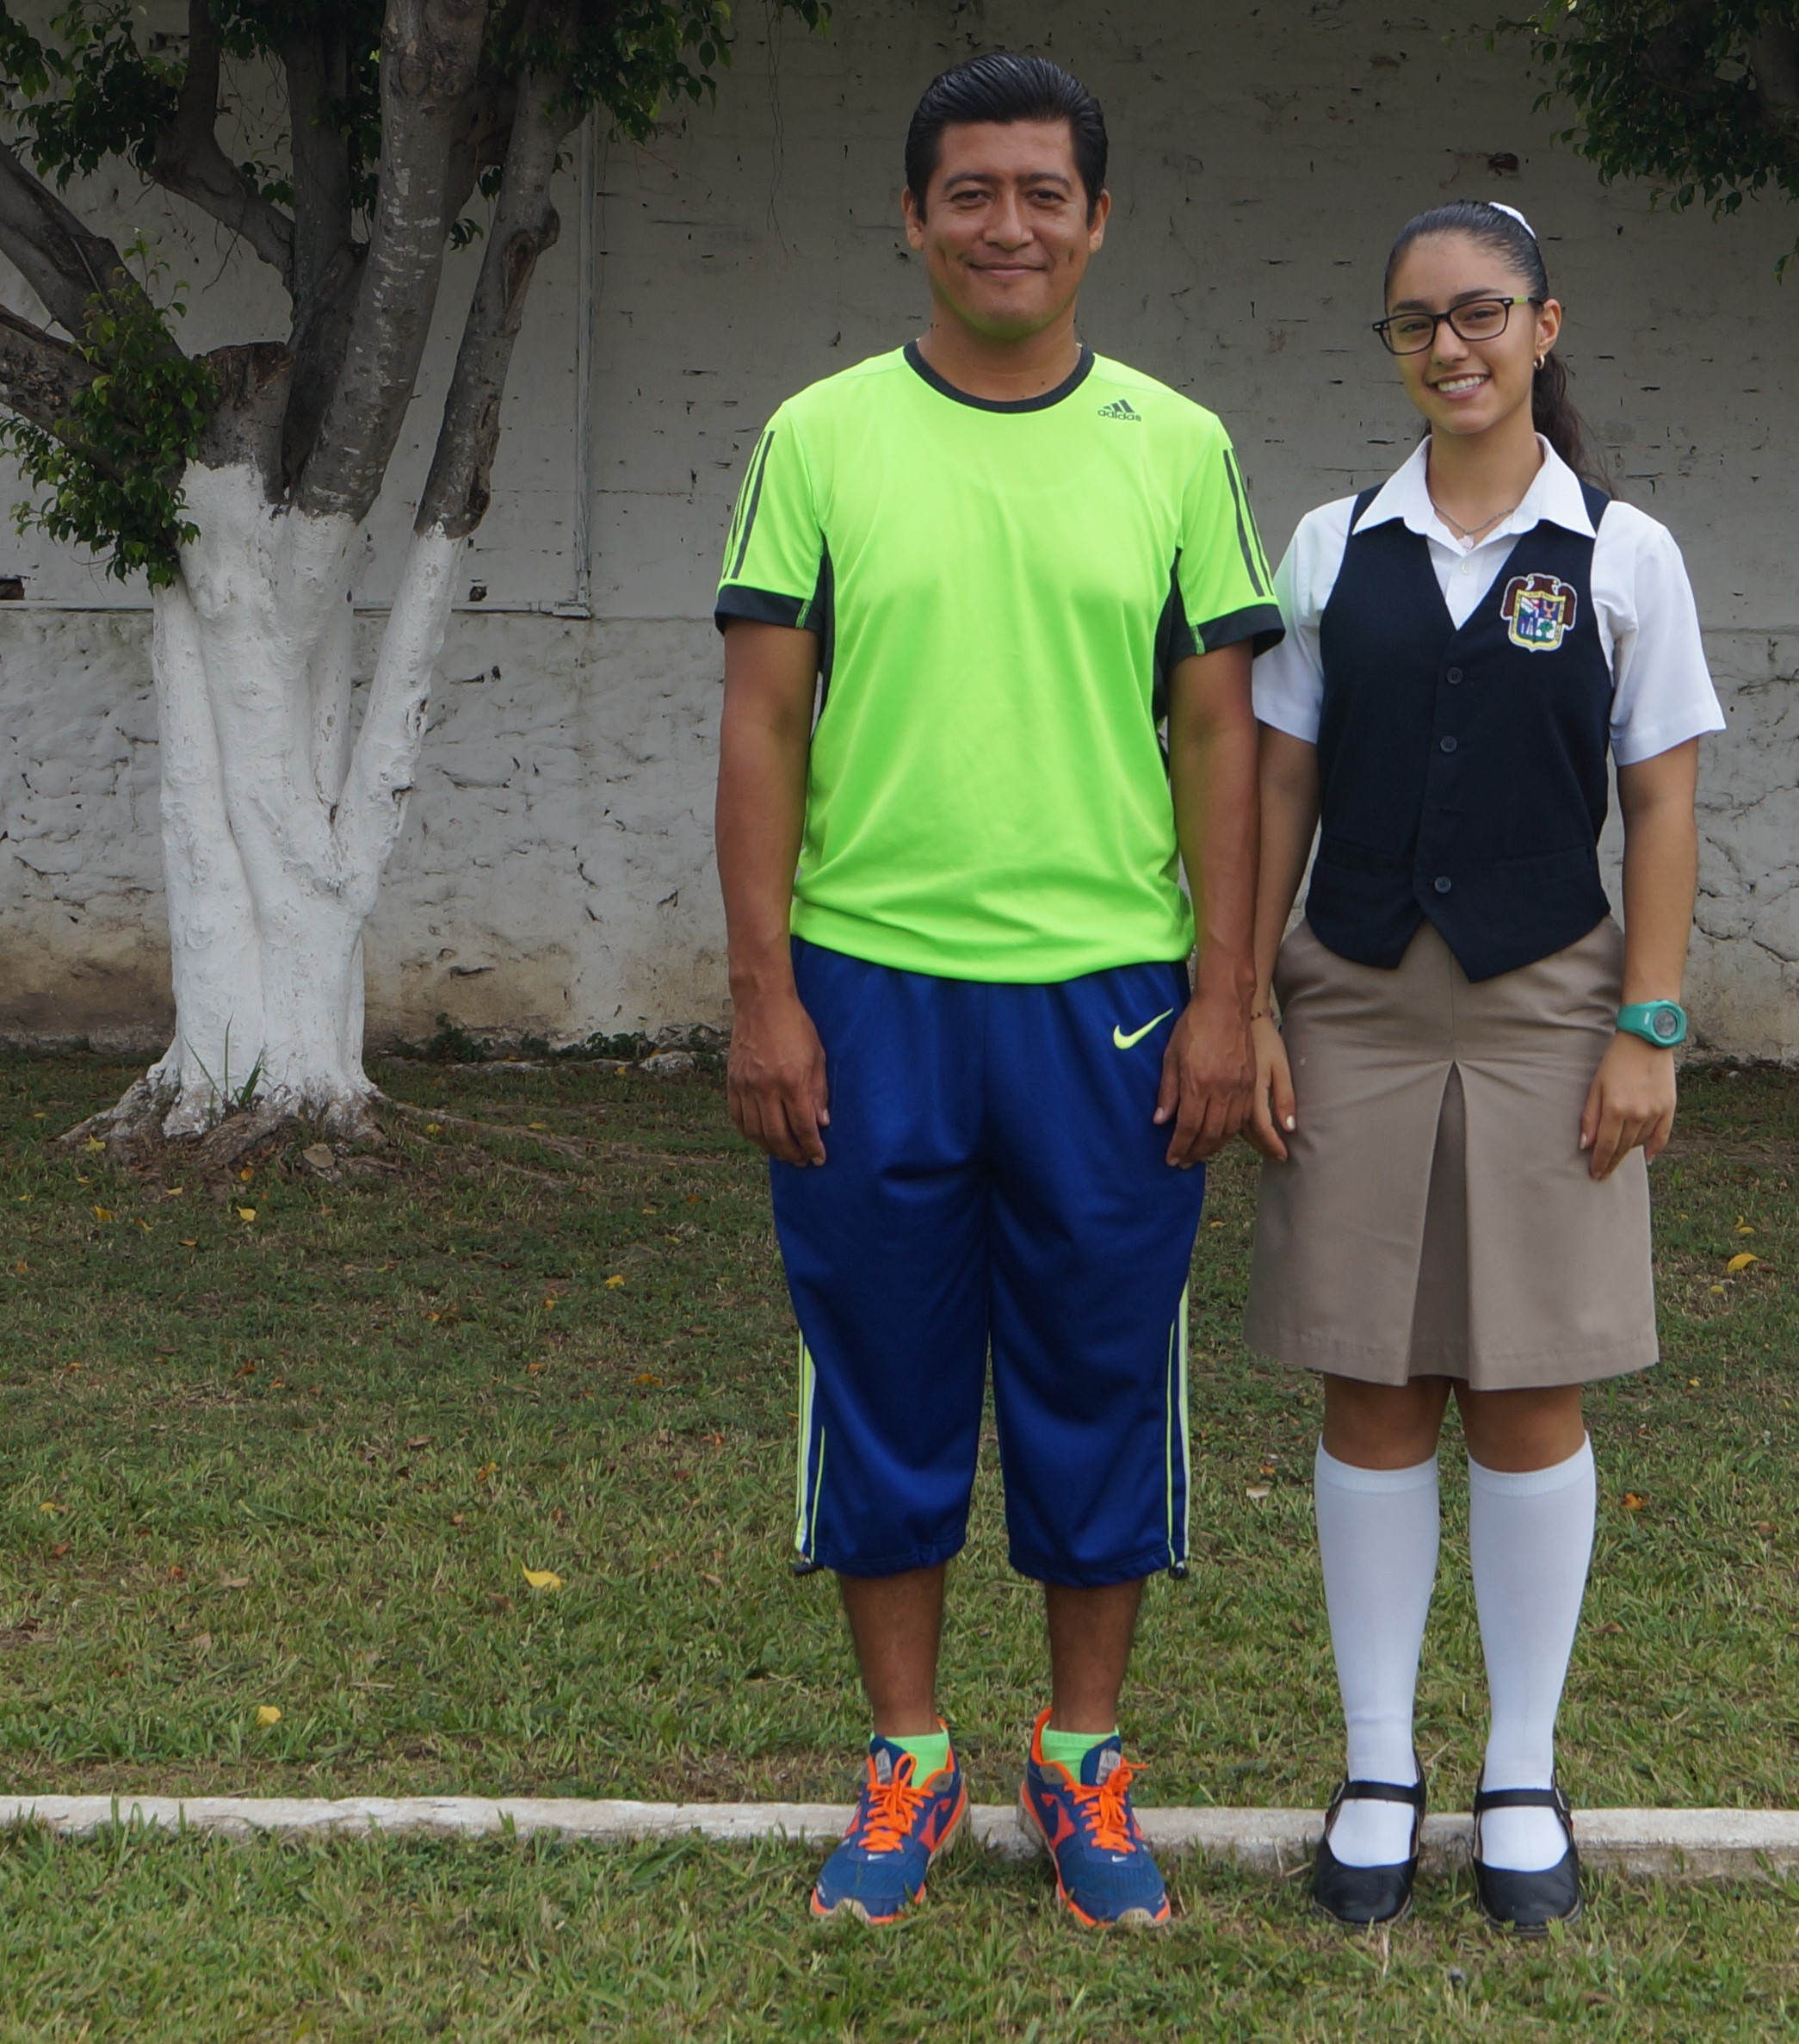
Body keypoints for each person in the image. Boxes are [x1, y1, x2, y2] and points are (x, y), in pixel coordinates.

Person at [710, 53, 1277, 1929]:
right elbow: (763, 719)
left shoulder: (1175, 446)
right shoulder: (818, 436)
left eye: (1043, 192)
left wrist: (1226, 992)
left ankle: (1082, 1758)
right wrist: (763, 988)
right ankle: (907, 1763)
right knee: (879, 1380)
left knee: (1094, 1380)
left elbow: (1219, 733)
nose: (1007, 223)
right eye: (970, 192)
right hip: (868, 994)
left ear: (1096, 220)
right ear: (911, 215)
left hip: (1106, 1004)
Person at [1242, 199, 1721, 1932]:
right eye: (1414, 322)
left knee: (1527, 1382)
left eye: (1479, 313)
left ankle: (1519, 1765)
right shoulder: (1325, 544)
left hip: (1542, 1003)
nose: (1448, 345)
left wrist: (1646, 1023)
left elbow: (1660, 797)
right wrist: (1239, 1000)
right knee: (1367, 1376)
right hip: (1351, 998)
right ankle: (1379, 1764)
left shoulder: (1619, 551)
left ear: (1542, 326)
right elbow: (1276, 786)